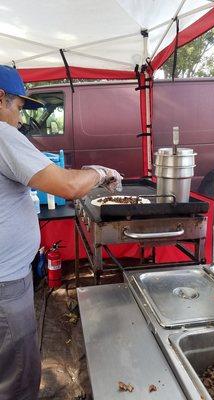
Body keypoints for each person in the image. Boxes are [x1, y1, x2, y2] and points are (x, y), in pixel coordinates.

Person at [0, 65, 123, 400]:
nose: (21, 119)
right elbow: (68, 186)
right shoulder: (2, 133)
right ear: (0, 98)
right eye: (19, 107)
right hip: (5, 284)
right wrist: (100, 171)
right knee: (19, 378)